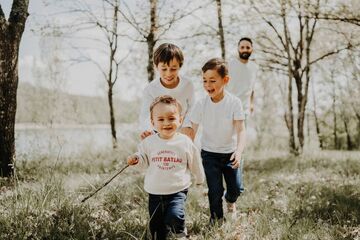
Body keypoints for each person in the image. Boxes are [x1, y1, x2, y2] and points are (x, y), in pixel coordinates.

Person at [127, 95, 205, 239]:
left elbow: (195, 161)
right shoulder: (149, 142)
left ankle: (180, 232)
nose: (166, 123)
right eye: (161, 119)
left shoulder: (184, 142)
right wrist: (136, 160)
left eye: (171, 118)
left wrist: (200, 178)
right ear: (152, 122)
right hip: (154, 191)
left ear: (180, 120)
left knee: (175, 215)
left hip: (177, 190)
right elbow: (143, 161)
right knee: (156, 226)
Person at [190, 58, 246, 223]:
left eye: (212, 81)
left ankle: (230, 201)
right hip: (209, 155)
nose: (208, 85)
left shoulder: (234, 102)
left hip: (230, 154)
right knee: (214, 190)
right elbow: (192, 131)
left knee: (236, 189)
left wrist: (239, 151)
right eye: (204, 81)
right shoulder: (201, 104)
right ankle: (216, 220)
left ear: (225, 80)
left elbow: (241, 130)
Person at [139, 43, 195, 140]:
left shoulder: (187, 85)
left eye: (173, 69)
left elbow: (193, 107)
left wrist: (187, 124)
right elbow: (146, 114)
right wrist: (147, 129)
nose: (168, 73)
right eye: (164, 69)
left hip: (182, 132)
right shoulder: (150, 89)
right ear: (156, 67)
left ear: (180, 66)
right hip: (159, 133)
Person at [227, 37, 258, 117]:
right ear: (238, 48)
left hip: (245, 111)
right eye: (242, 47)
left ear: (252, 49)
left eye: (248, 47)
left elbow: (252, 88)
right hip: (229, 109)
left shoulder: (254, 67)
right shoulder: (229, 64)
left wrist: (251, 104)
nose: (245, 50)